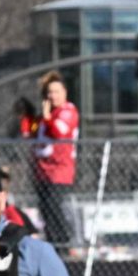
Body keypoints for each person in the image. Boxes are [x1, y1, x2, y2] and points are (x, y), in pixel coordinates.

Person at [30, 70, 80, 246]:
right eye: (49, 92)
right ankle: (52, 243)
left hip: (59, 170)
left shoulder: (68, 111)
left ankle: (63, 244)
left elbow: (59, 133)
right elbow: (31, 132)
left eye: (56, 91)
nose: (52, 96)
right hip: (42, 171)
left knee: (55, 206)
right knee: (45, 210)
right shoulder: (45, 115)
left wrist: (47, 118)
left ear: (64, 92)